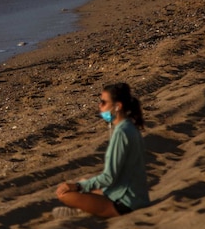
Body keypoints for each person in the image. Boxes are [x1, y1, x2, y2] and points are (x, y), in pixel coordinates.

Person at [54, 83, 150, 219]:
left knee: (64, 194)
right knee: (84, 181)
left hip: (126, 203)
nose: (100, 106)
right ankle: (87, 208)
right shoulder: (129, 127)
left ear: (118, 106)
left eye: (103, 102)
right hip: (136, 195)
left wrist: (77, 186)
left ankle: (86, 211)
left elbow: (109, 177)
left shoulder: (121, 133)